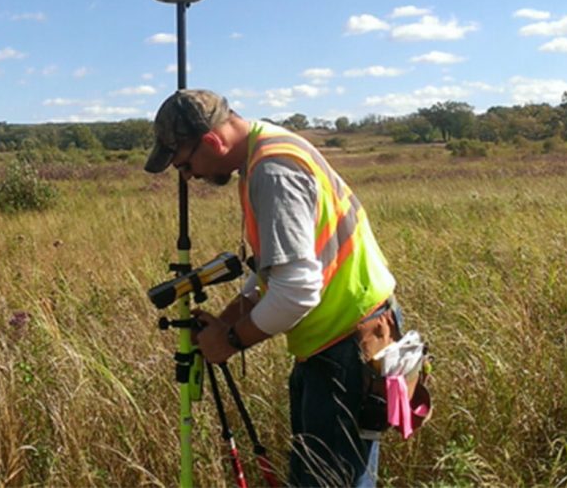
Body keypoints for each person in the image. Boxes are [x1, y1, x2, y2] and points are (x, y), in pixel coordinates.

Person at [144, 89, 401, 487]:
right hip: (341, 339)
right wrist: (227, 319)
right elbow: (277, 270)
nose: (188, 175)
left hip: (345, 345)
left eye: (186, 163)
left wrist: (229, 339)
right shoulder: (265, 149)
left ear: (212, 141)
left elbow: (297, 290)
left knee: (326, 481)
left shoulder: (272, 171)